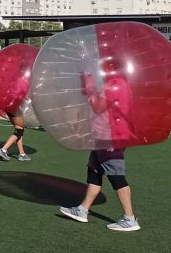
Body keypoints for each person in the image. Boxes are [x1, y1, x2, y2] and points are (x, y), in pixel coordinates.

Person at [59, 66, 140, 231]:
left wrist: (90, 88)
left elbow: (98, 106)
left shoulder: (116, 84)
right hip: (101, 135)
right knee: (94, 172)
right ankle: (82, 210)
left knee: (116, 176)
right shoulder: (115, 83)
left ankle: (130, 218)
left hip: (110, 137)